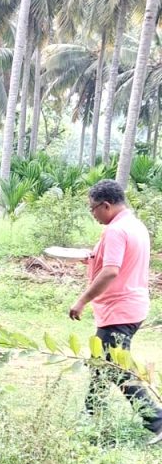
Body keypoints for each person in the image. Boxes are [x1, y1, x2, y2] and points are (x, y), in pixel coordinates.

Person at [69, 179, 162, 442]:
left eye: (93, 208)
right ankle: (92, 417)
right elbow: (119, 262)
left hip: (119, 310)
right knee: (100, 364)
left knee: (115, 368)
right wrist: (92, 259)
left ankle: (157, 420)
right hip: (131, 306)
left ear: (106, 205)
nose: (93, 214)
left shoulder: (115, 231)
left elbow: (111, 271)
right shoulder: (135, 225)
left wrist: (82, 300)